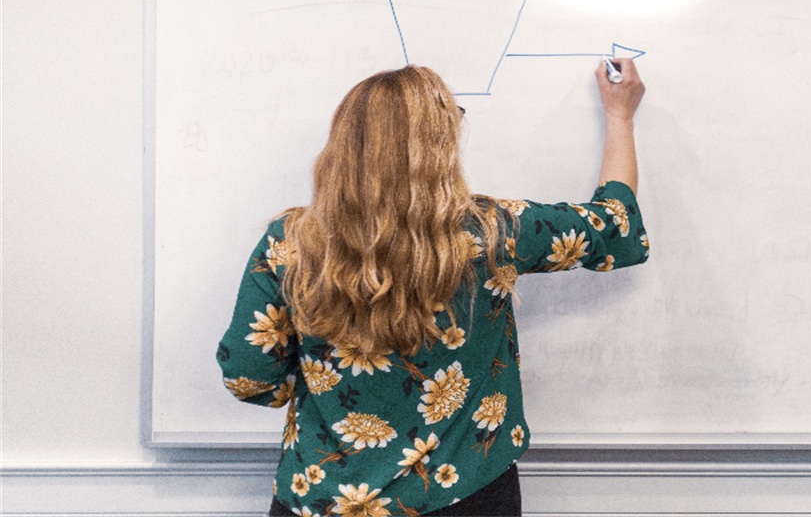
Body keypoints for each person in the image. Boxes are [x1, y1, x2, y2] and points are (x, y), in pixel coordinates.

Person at [217, 59, 648, 516]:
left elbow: (248, 376)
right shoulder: (494, 232)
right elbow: (615, 223)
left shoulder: (290, 243)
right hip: (466, 496)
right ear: (439, 145)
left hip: (323, 498)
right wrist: (619, 116)